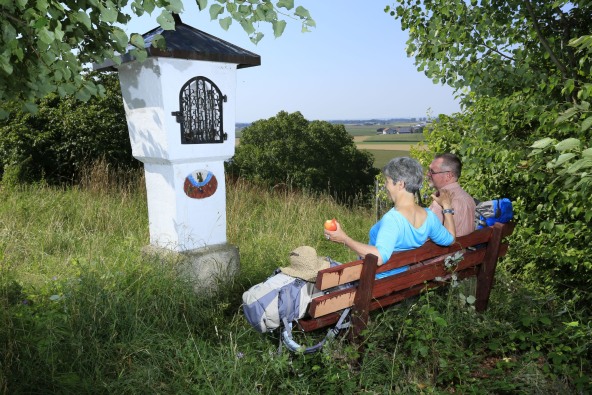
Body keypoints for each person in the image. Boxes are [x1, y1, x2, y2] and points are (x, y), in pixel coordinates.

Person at [324, 157, 455, 278]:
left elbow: (379, 257)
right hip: (398, 282)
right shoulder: (429, 217)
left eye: (387, 181)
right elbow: (450, 239)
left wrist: (344, 239)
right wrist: (447, 207)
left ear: (400, 184)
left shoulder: (393, 219)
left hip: (373, 284)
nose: (385, 186)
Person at [427, 153, 476, 237]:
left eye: (432, 171)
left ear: (448, 176)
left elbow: (425, 237)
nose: (428, 174)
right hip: (466, 248)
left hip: (447, 250)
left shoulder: (440, 203)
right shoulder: (468, 198)